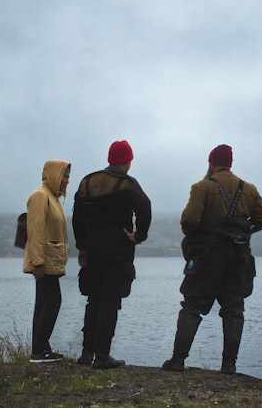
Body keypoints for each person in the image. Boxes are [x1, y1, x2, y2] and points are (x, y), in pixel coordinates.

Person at [162, 144, 262, 374]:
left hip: (207, 257)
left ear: (211, 163)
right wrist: (242, 231)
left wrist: (203, 232)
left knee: (192, 306)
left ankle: (178, 361)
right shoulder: (249, 189)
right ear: (230, 163)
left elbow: (189, 221)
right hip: (239, 257)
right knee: (234, 309)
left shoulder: (201, 187)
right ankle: (229, 365)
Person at [72, 140, 152, 369]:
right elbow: (145, 207)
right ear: (127, 162)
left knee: (93, 300)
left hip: (93, 249)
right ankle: (103, 356)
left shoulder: (87, 181)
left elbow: (77, 217)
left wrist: (82, 246)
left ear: (109, 159)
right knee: (110, 301)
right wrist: (139, 236)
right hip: (118, 250)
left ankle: (86, 353)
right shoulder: (127, 183)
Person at [23, 159, 72, 363]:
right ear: (54, 175)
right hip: (44, 262)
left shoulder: (54, 199)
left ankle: (40, 348)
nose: (67, 181)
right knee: (52, 302)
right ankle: (39, 351)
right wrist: (38, 262)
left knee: (43, 303)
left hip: (50, 260)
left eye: (68, 176)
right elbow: (35, 230)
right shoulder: (40, 196)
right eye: (64, 176)